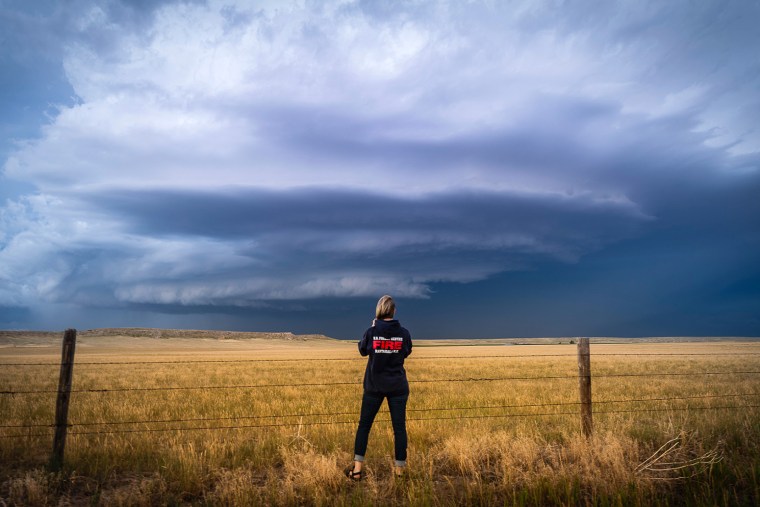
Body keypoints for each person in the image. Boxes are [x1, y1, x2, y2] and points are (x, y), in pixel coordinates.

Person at [345, 295, 413, 481]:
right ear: (394, 311)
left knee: (364, 426)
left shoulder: (371, 332)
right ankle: (399, 472)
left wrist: (374, 329)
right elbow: (406, 351)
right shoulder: (404, 333)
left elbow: (362, 350)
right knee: (399, 428)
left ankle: (357, 471)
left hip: (374, 387)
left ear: (379, 311)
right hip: (398, 386)